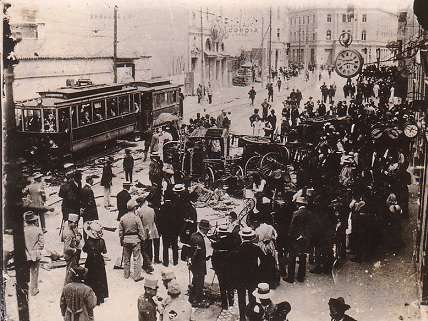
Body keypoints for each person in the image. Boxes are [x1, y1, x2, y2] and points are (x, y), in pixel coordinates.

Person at [235, 227, 264, 321]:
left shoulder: (237, 248)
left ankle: (242, 318)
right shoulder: (256, 248)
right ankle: (253, 317)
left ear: (242, 237)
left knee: (241, 299)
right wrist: (258, 271)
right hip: (252, 277)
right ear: (251, 237)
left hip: (240, 278)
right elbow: (265, 260)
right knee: (252, 299)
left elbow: (232, 264)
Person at [82, 220, 108, 305]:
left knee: (90, 278)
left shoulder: (89, 242)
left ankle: (90, 297)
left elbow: (84, 250)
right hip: (99, 261)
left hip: (90, 261)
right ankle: (100, 297)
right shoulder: (102, 241)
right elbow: (104, 251)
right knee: (100, 278)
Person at [118, 198, 145, 281]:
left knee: (126, 258)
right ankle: (137, 276)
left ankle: (126, 274)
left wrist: (121, 240)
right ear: (134, 208)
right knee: (136, 258)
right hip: (135, 240)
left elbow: (120, 231)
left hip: (126, 240)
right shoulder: (136, 218)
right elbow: (141, 230)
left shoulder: (123, 218)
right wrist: (142, 239)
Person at [286, 196, 311, 283]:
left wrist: (290, 236)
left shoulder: (296, 213)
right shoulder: (309, 213)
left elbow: (292, 227)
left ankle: (290, 277)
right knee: (302, 257)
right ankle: (301, 277)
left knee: (292, 257)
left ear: (298, 204)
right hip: (305, 238)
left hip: (295, 238)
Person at [211, 225, 235, 310]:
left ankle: (225, 305)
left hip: (220, 268)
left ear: (220, 233)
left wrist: (215, 268)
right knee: (230, 284)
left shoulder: (217, 244)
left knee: (222, 286)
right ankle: (231, 302)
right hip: (230, 268)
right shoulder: (232, 242)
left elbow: (213, 258)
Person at [189, 219, 211, 307]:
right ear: (204, 229)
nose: (208, 231)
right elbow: (196, 253)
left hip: (195, 264)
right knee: (199, 282)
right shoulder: (199, 239)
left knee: (195, 280)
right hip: (199, 264)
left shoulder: (194, 235)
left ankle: (192, 297)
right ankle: (198, 300)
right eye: (207, 230)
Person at [158, 190, 182, 266]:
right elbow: (178, 220)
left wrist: (160, 231)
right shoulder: (175, 207)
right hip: (174, 231)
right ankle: (175, 261)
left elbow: (160, 221)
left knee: (165, 247)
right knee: (174, 246)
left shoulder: (162, 208)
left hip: (165, 232)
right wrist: (178, 231)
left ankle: (166, 262)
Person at [23, 211, 44, 296]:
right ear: (34, 221)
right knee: (34, 272)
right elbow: (41, 244)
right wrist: (36, 250)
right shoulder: (38, 230)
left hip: (25, 254)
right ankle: (34, 289)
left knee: (25, 272)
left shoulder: (23, 230)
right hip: (35, 254)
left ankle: (24, 289)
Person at [136, 195, 157, 273]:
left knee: (143, 249)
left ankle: (148, 264)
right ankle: (148, 263)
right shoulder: (151, 210)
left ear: (139, 203)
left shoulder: (139, 211)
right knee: (150, 247)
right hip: (151, 230)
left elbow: (138, 223)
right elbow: (154, 219)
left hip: (143, 231)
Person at [62, 213, 83, 285]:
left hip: (74, 253)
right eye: (75, 223)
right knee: (69, 272)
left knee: (72, 270)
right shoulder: (68, 234)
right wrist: (74, 250)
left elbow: (79, 234)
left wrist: (78, 237)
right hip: (70, 255)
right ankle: (67, 286)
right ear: (71, 222)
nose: (76, 225)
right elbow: (66, 248)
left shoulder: (70, 226)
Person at [80, 175, 99, 240]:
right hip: (89, 211)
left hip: (85, 211)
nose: (93, 181)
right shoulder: (89, 190)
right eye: (92, 180)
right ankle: (89, 238)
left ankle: (85, 238)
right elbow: (90, 202)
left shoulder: (83, 188)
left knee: (85, 224)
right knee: (90, 225)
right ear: (90, 180)